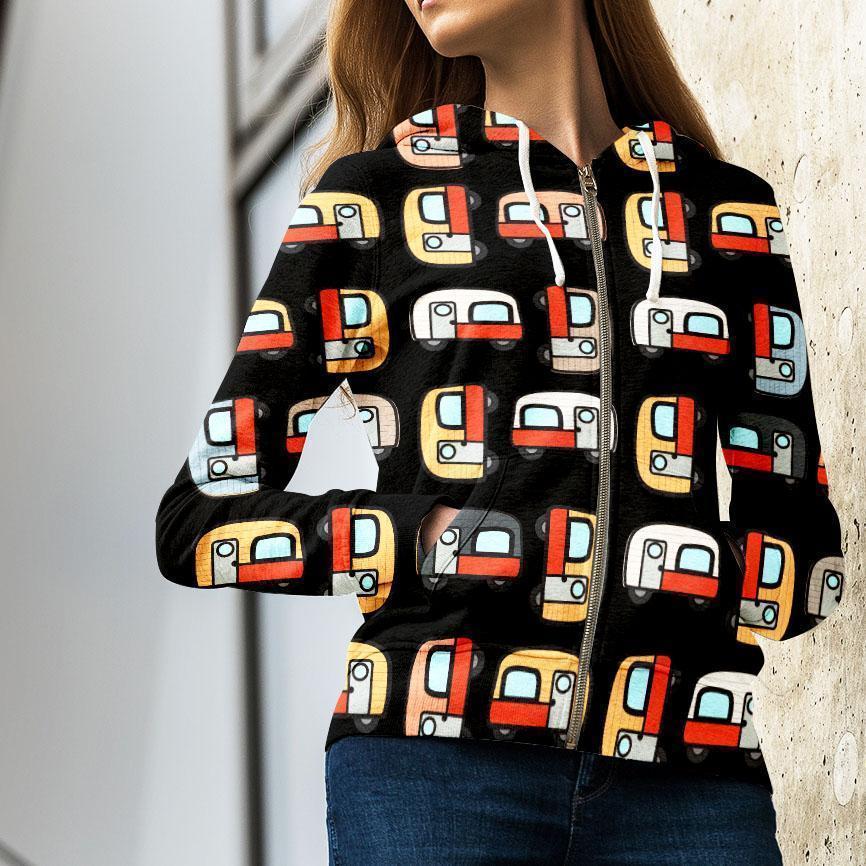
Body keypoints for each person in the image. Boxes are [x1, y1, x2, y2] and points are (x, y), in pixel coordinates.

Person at [155, 0, 849, 862]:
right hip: (432, 770)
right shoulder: (373, 202)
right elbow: (196, 520)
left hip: (689, 783)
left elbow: (810, 561)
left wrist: (664, 566)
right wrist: (427, 537)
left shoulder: (726, 215)